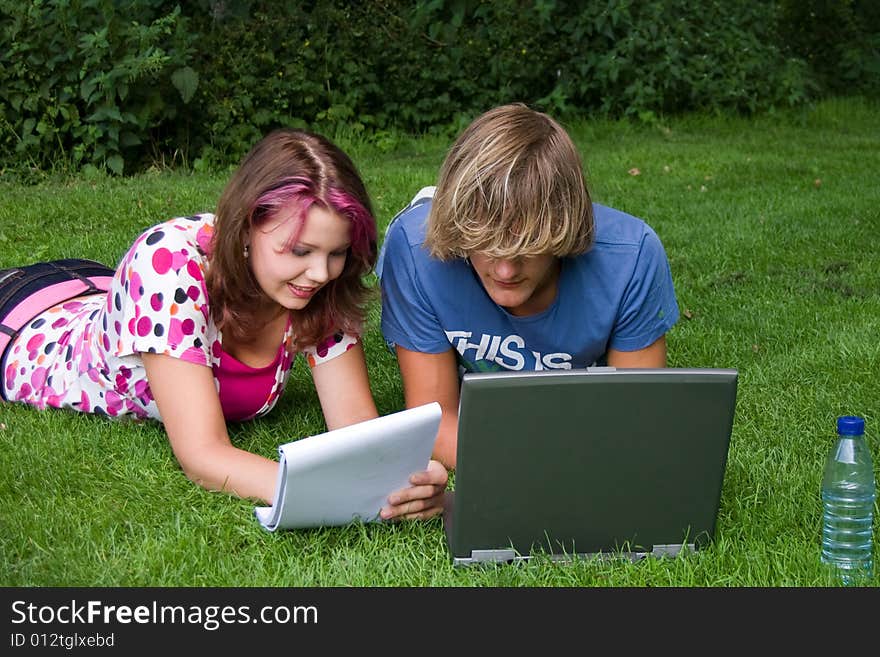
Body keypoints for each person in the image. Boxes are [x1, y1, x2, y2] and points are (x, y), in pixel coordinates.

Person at [1, 128, 446, 520]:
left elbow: (356, 432)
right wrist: (331, 493)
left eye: (336, 253)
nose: (322, 273)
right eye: (299, 251)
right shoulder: (168, 264)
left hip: (89, 288)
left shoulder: (319, 285)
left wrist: (403, 483)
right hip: (25, 327)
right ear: (248, 227)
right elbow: (202, 455)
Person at [378, 103, 680, 468]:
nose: (505, 271)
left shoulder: (632, 257)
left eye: (529, 248)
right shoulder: (416, 250)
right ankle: (441, 205)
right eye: (487, 247)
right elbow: (436, 422)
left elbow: (636, 421)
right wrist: (544, 466)